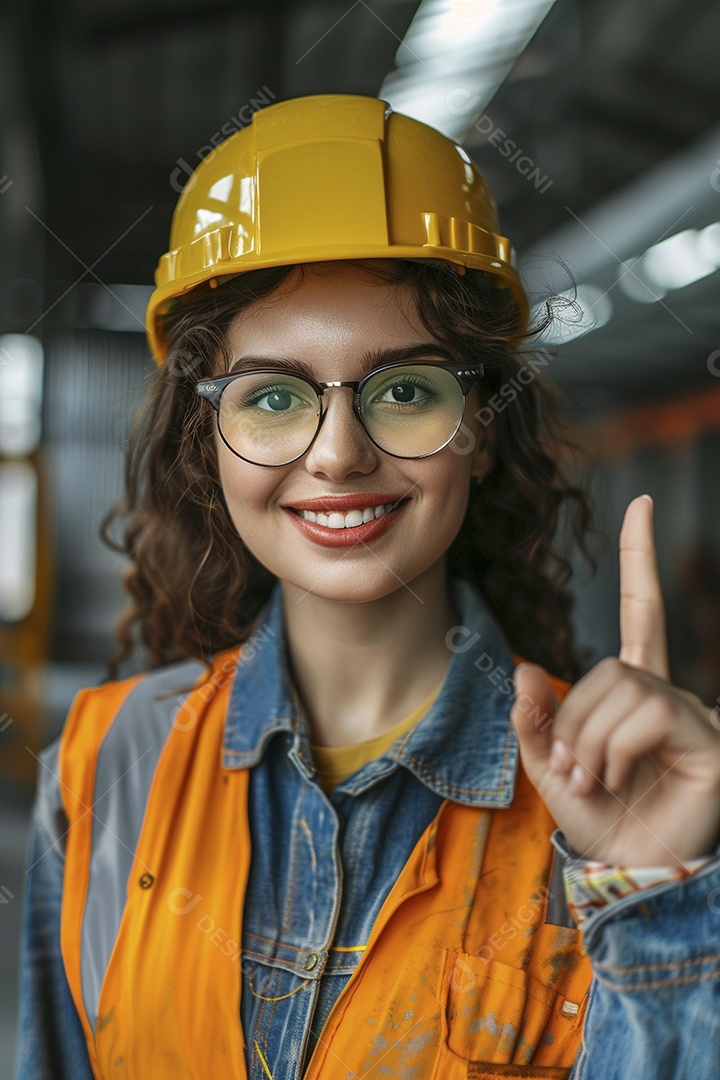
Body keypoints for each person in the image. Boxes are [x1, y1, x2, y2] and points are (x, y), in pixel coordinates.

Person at [14, 95, 720, 1080]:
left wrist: (652, 899)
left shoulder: (612, 802)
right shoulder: (103, 767)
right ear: (204, 438)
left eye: (405, 390)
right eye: (273, 396)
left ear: (480, 433)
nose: (339, 455)